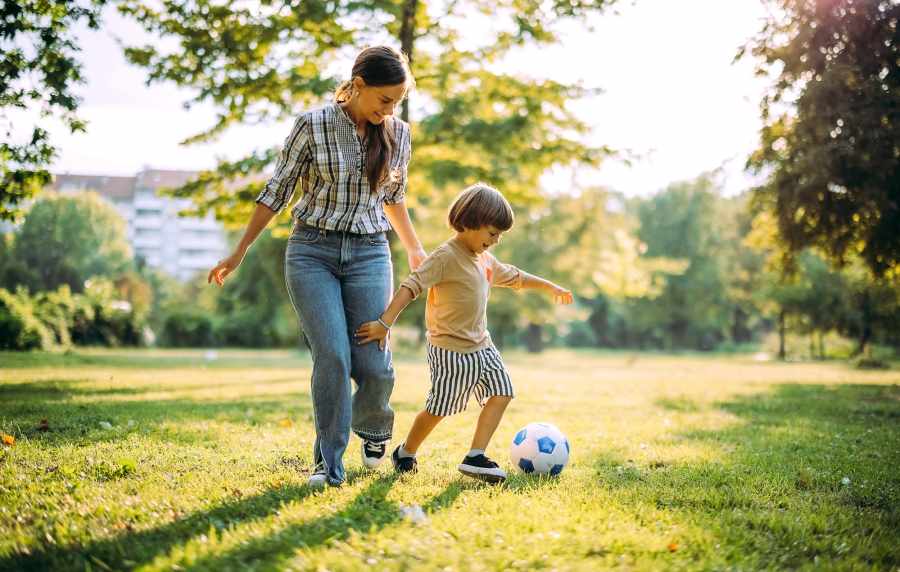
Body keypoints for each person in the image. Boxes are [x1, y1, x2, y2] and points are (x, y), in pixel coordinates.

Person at [208, 46, 427, 489]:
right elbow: (277, 191)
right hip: (312, 252)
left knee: (374, 364)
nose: (391, 110)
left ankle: (373, 427)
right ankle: (328, 464)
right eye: (384, 100)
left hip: (369, 252)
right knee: (331, 356)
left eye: (398, 102)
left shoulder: (398, 133)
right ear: (358, 86)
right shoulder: (312, 125)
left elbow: (393, 197)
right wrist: (240, 251)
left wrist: (415, 250)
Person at [355, 183, 573, 483]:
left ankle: (475, 456)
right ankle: (405, 452)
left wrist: (550, 286)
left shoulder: (484, 260)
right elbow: (411, 286)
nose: (495, 241)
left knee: (502, 392)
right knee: (438, 408)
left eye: (499, 235)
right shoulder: (446, 257)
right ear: (470, 222)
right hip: (449, 350)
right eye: (492, 233)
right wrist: (385, 323)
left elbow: (515, 277)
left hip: (482, 345)